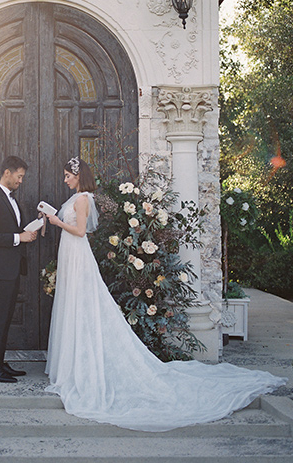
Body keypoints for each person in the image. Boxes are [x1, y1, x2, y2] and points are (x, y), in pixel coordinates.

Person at [44, 156, 287, 431]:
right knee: (74, 306)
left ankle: (84, 366)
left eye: (67, 175)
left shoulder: (82, 199)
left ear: (78, 176)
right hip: (70, 256)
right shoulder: (75, 198)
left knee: (82, 305)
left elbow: (79, 231)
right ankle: (74, 363)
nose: (65, 180)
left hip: (78, 255)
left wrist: (56, 222)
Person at [0, 155, 37, 383]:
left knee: (5, 318)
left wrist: (31, 229)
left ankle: (0, 361)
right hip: (1, 270)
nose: (21, 181)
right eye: (19, 176)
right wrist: (18, 238)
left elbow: (14, 228)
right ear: (7, 173)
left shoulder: (11, 199)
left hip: (12, 269)